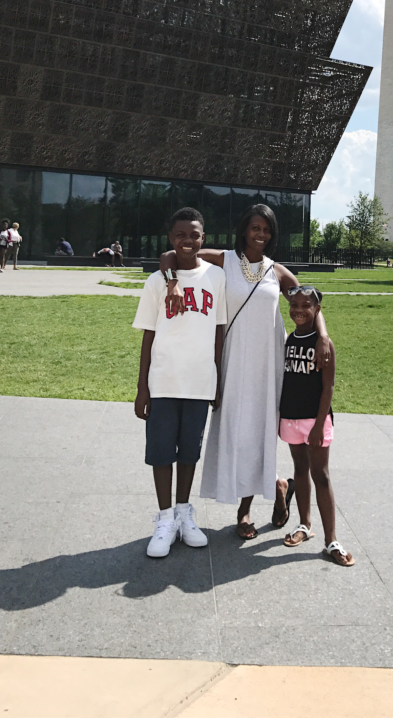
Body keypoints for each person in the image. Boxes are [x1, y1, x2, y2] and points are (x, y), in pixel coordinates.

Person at [160, 204, 331, 539]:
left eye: (266, 230)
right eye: (255, 228)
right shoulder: (224, 259)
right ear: (244, 230)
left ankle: (245, 510)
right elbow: (169, 255)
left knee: (259, 432)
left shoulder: (277, 272)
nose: (261, 235)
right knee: (236, 431)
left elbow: (310, 301)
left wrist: (323, 336)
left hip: (268, 364)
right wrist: (171, 284)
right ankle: (279, 484)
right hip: (233, 358)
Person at [132, 208, 227, 558]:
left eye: (195, 235)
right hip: (164, 380)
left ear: (204, 239)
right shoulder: (156, 282)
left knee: (189, 452)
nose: (188, 240)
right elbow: (148, 336)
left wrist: (218, 376)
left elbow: (219, 331)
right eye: (181, 235)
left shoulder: (216, 277)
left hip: (200, 381)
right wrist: (142, 386)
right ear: (171, 239)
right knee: (161, 453)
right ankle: (165, 519)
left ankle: (185, 513)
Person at [280, 286, 354, 566]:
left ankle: (331, 540)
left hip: (315, 420)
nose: (299, 309)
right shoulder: (288, 340)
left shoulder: (323, 344)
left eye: (306, 305)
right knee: (299, 471)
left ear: (317, 310)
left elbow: (328, 387)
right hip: (290, 417)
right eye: (294, 304)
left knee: (320, 475)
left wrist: (319, 424)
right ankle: (304, 525)